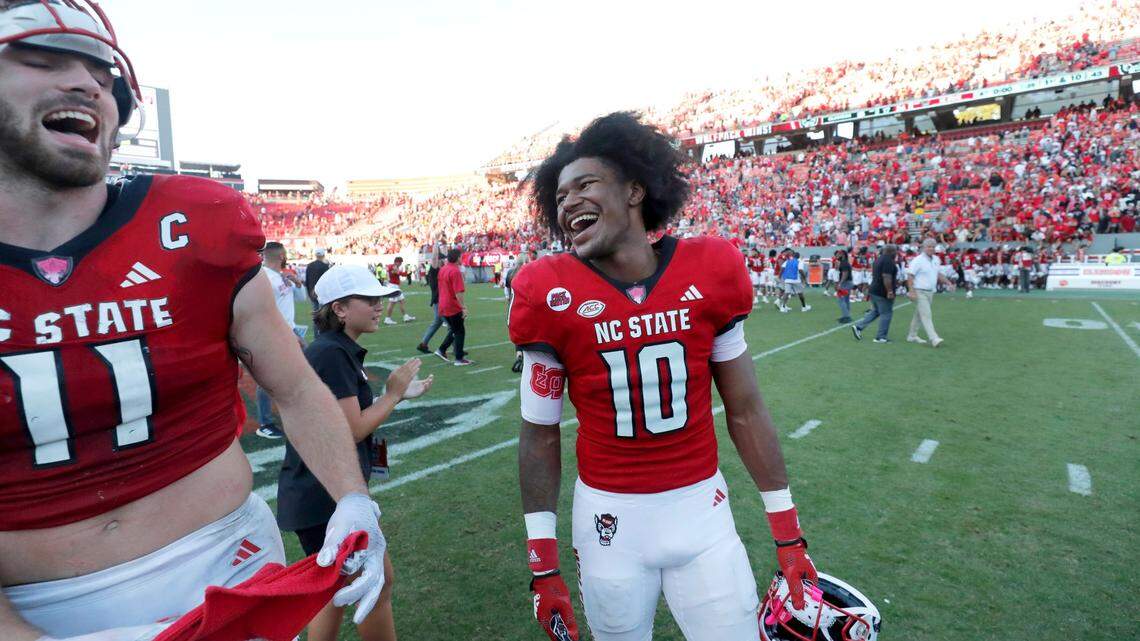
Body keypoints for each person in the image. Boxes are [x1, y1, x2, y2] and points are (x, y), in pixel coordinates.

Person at [0, 4, 386, 640]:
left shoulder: (192, 224)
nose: (85, 84)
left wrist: (352, 496)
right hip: (39, 606)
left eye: (102, 76)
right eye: (44, 60)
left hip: (227, 559)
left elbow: (294, 387)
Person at [510, 112, 818, 641]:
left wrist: (788, 533)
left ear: (635, 190)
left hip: (703, 511)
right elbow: (539, 433)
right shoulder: (548, 291)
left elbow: (745, 409)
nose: (569, 203)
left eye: (585, 185)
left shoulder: (710, 267)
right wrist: (542, 561)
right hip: (608, 523)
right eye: (559, 196)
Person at [278, 264, 434, 641]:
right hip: (324, 494)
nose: (379, 306)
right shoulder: (331, 353)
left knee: (334, 590)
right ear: (340, 309)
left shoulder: (335, 350)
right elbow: (351, 430)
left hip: (319, 492)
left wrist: (394, 398)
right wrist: (393, 394)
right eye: (369, 299)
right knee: (374, 584)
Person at [256, 241, 307, 439]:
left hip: (289, 331)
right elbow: (264, 312)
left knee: (302, 371)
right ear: (281, 256)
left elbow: (301, 299)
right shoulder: (263, 278)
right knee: (268, 378)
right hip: (275, 334)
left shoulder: (280, 275)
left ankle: (297, 412)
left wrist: (298, 284)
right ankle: (265, 423)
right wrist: (287, 333)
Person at [905, 239, 954, 347]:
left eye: (933, 246)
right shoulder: (918, 260)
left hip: (930, 291)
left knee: (919, 315)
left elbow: (938, 274)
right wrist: (911, 291)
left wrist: (948, 283)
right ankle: (934, 338)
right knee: (926, 314)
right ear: (923, 247)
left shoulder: (936, 259)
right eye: (928, 246)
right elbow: (910, 275)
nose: (931, 248)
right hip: (920, 291)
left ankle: (912, 336)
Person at [851, 244, 898, 343]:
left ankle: (858, 327)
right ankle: (880, 337)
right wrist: (890, 291)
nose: (896, 253)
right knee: (886, 313)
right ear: (891, 252)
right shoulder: (888, 261)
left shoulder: (879, 259)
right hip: (882, 291)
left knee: (876, 311)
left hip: (874, 289)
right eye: (895, 251)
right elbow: (886, 277)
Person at [435, 248, 472, 366]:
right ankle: (458, 358)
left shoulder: (443, 269)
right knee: (460, 331)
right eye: (461, 256)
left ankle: (442, 350)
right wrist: (463, 307)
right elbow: (458, 292)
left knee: (455, 329)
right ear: (457, 258)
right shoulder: (455, 271)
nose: (462, 258)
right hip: (452, 305)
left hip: (443, 303)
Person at [415, 244, 445, 354]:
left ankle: (423, 344)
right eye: (442, 259)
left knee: (437, 323)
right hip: (440, 301)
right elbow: (434, 258)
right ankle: (456, 349)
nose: (444, 261)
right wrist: (436, 243)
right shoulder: (434, 270)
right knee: (453, 326)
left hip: (439, 300)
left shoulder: (439, 270)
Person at [381, 257, 414, 325]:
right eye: (400, 262)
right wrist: (408, 271)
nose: (401, 264)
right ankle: (387, 319)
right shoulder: (394, 267)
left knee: (402, 301)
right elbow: (401, 274)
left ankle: (405, 316)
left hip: (394, 286)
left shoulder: (391, 266)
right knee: (392, 303)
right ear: (397, 262)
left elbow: (391, 271)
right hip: (393, 287)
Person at [305, 248, 332, 313]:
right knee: (322, 312)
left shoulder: (309, 265)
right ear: (323, 255)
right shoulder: (325, 266)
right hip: (322, 292)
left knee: (315, 311)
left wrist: (309, 292)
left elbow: (307, 280)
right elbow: (327, 281)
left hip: (312, 292)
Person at [833, 249, 854, 323]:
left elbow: (845, 274)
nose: (836, 256)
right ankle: (846, 315)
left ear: (842, 255)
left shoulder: (844, 263)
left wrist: (840, 283)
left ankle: (846, 316)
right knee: (846, 300)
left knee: (841, 300)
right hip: (848, 283)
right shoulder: (844, 262)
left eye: (838, 254)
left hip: (845, 283)